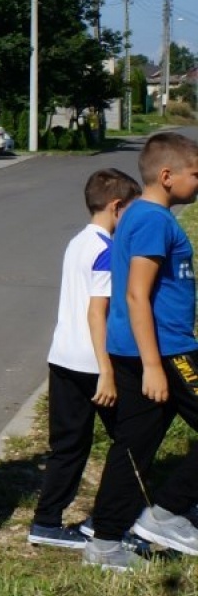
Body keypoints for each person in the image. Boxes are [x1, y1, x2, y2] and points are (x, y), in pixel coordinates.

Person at [84, 133, 198, 571]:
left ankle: (106, 542)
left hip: (140, 349)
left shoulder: (137, 216)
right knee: (134, 444)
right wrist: (154, 365)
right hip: (166, 350)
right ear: (167, 176)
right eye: (195, 175)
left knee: (134, 445)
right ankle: (167, 514)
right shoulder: (153, 220)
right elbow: (136, 295)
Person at [29, 168, 140, 551]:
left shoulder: (78, 242)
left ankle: (46, 521)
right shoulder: (107, 250)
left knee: (69, 445)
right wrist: (107, 373)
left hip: (63, 356)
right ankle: (117, 516)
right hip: (93, 364)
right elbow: (98, 313)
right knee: (132, 438)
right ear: (116, 206)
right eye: (132, 212)